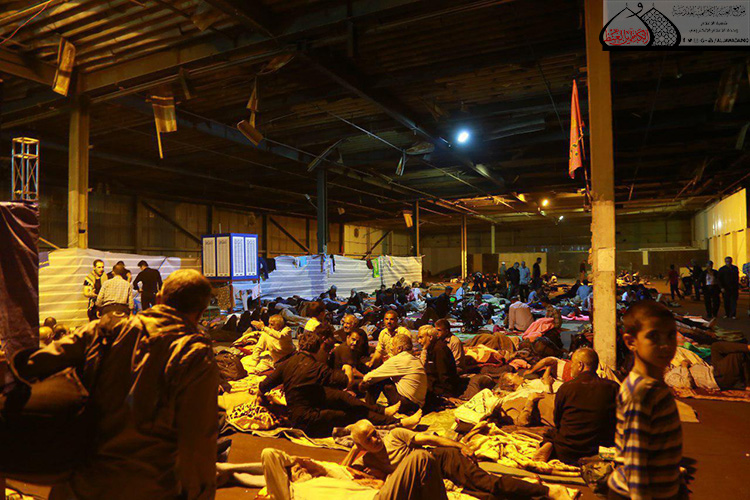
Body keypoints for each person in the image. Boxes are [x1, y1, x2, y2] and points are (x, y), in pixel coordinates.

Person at [13, 270, 219, 499]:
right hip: (148, 487)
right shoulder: (196, 355)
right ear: (200, 312)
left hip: (79, 482)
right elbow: (198, 442)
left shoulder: (102, 330)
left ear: (159, 298)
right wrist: (201, 492)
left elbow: (32, 364)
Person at [346, 420, 573, 500]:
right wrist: (356, 449)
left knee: (486, 483)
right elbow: (341, 471)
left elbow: (431, 439)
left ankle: (550, 491)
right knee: (482, 496)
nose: (376, 438)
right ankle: (531, 489)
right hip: (431, 479)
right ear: (361, 445)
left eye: (375, 433)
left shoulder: (395, 436)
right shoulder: (369, 462)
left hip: (441, 459)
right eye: (369, 439)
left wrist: (460, 445)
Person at [255, 330, 417, 437]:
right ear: (317, 349)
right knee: (353, 413)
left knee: (341, 397)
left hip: (307, 404)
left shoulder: (287, 363)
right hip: (307, 420)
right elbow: (346, 381)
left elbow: (263, 385)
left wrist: (260, 397)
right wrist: (348, 369)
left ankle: (383, 411)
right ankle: (397, 423)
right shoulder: (316, 368)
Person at [607, 301, 684, 500]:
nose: (665, 345)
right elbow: (635, 463)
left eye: (670, 335)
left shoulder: (653, 385)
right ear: (630, 342)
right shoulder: (640, 393)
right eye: (653, 337)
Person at [535, 348, 619, 465]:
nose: (571, 367)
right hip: (601, 450)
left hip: (568, 452)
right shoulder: (614, 387)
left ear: (580, 365)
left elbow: (557, 421)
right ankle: (600, 457)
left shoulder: (566, 388)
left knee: (551, 434)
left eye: (572, 363)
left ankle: (549, 445)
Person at [362, 333, 427, 415]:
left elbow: (370, 377)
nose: (391, 348)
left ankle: (368, 408)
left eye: (392, 345)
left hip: (406, 404)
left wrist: (363, 383)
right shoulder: (414, 359)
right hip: (417, 405)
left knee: (378, 379)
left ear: (399, 348)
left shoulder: (398, 359)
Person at [417, 325, 461, 398]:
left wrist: (446, 396)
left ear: (430, 337)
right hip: (434, 387)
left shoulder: (439, 350)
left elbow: (444, 376)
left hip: (441, 391)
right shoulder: (430, 349)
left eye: (421, 338)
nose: (419, 341)